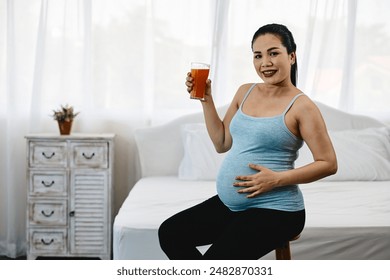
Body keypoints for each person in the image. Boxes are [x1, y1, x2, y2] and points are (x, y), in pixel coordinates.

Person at [158, 23, 337, 260]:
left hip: (277, 209)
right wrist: (206, 99)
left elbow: (328, 163)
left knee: (216, 264)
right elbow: (222, 142)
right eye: (258, 55)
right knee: (171, 233)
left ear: (291, 56)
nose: (265, 63)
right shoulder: (245, 91)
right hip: (232, 206)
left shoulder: (303, 107)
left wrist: (276, 179)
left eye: (274, 53)